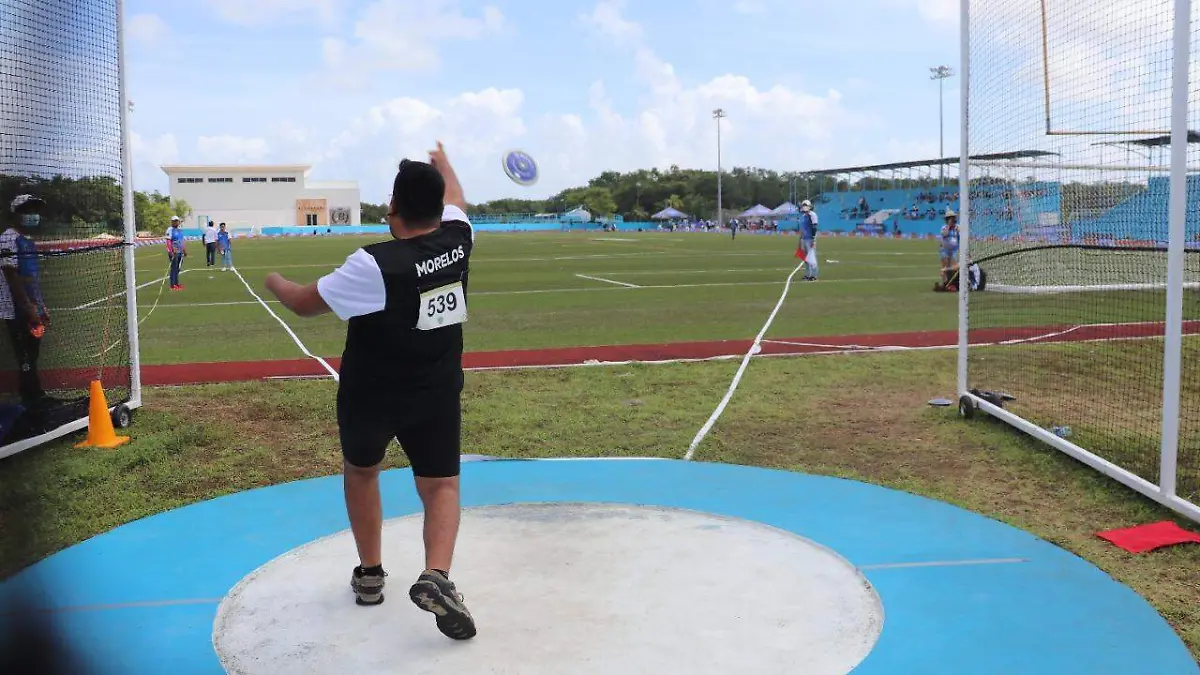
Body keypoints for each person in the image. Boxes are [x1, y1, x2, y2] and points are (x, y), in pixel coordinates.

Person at [263, 142, 477, 641]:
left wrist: (273, 279)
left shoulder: (373, 264)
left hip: (371, 392)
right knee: (441, 484)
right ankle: (438, 576)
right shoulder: (459, 240)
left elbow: (302, 304)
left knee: (362, 472)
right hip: (436, 389)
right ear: (439, 206)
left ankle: (370, 576)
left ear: (393, 208)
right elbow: (460, 200)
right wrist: (444, 161)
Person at [0, 195, 50, 409]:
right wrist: (30, 310)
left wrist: (41, 307)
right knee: (25, 356)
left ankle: (34, 393)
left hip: (31, 308)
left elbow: (31, 279)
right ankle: (30, 398)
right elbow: (13, 278)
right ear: (17, 213)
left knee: (32, 353)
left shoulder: (28, 241)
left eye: (35, 210)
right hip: (16, 309)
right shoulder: (8, 239)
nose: (33, 215)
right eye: (28, 210)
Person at [797, 199, 819, 281]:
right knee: (806, 259)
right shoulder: (803, 216)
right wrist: (800, 239)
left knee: (812, 258)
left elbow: (815, 227)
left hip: (810, 238)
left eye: (806, 205)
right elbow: (803, 229)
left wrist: (813, 238)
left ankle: (814, 275)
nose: (804, 207)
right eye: (804, 205)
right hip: (804, 239)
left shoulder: (812, 215)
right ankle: (807, 274)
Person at [167, 216, 186, 290]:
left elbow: (182, 241)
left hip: (180, 252)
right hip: (174, 252)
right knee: (174, 268)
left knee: (178, 268)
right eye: (174, 221)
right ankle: (173, 285)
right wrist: (171, 251)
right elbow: (168, 241)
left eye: (177, 221)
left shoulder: (179, 230)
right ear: (172, 222)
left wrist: (184, 250)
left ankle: (176, 283)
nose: (176, 222)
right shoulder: (170, 230)